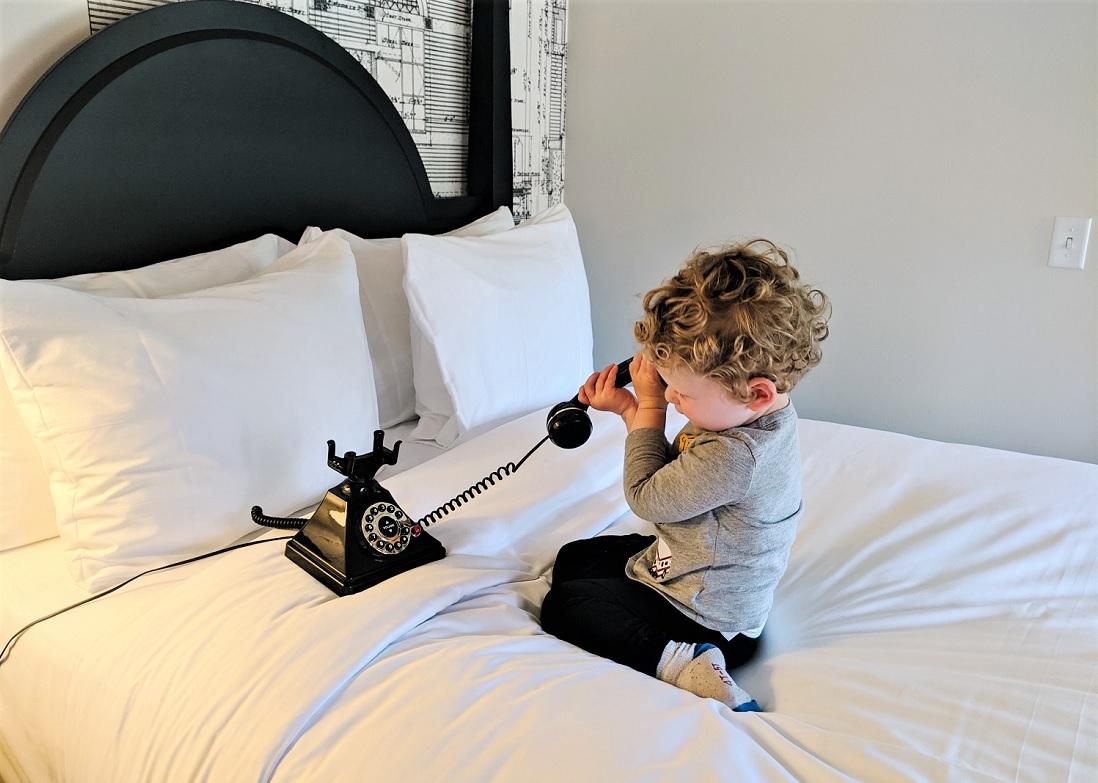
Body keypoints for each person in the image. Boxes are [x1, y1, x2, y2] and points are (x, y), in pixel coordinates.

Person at [540, 238, 830, 712]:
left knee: (567, 605)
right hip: (697, 568)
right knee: (575, 558)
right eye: (668, 385)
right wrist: (641, 401)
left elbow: (646, 497)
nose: (673, 398)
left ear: (755, 393)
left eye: (682, 392)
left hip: (710, 619)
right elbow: (678, 467)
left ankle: (686, 663)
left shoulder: (737, 455)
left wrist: (647, 407)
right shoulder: (753, 411)